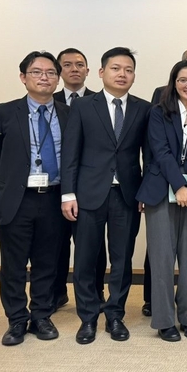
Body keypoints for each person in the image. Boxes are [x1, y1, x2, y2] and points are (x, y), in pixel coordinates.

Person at [61, 47, 151, 345]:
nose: (122, 74)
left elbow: (148, 157)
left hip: (126, 195)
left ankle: (115, 315)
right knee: (86, 259)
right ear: (101, 72)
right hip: (87, 194)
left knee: (122, 259)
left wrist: (145, 192)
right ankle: (88, 318)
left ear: (134, 75)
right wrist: (67, 194)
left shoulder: (143, 108)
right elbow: (69, 154)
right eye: (115, 68)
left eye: (128, 69)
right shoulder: (84, 106)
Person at [0, 51, 68, 346]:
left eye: (50, 72)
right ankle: (17, 320)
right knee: (14, 264)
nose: (44, 77)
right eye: (36, 72)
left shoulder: (69, 114)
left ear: (58, 79)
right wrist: (15, 185)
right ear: (23, 77)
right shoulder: (3, 112)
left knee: (48, 262)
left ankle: (42, 316)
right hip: (17, 200)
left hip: (54, 198)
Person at [137, 60, 187, 342]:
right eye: (183, 80)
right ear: (173, 82)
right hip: (162, 189)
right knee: (161, 258)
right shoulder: (158, 112)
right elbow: (159, 152)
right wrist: (179, 186)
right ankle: (164, 320)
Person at [51, 47, 107, 311]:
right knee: (57, 242)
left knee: (93, 246)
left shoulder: (102, 100)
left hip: (94, 187)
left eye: (79, 64)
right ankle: (56, 292)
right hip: (57, 186)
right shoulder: (47, 101)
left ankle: (96, 292)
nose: (74, 69)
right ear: (59, 71)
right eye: (67, 65)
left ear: (88, 70)